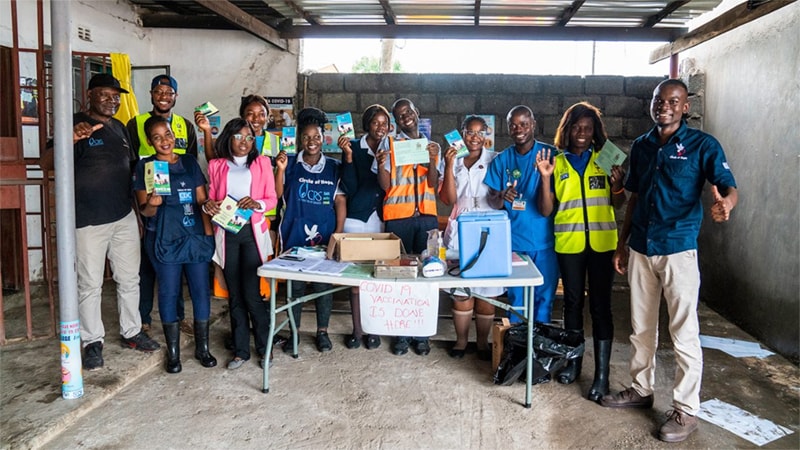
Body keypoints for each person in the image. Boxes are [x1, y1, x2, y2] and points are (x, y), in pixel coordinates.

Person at [600, 79, 738, 443]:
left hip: (678, 249)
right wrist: (622, 244)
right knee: (641, 327)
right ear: (652, 104)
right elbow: (633, 198)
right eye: (659, 100)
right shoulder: (643, 147)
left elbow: (727, 184)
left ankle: (686, 410)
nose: (664, 106)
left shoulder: (702, 145)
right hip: (642, 248)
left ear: (685, 107)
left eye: (673, 101)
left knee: (683, 331)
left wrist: (727, 203)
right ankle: (641, 389)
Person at [535, 102, 625, 401]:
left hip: (601, 244)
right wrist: (546, 177)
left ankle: (601, 376)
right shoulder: (556, 163)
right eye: (576, 127)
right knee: (572, 304)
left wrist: (618, 186)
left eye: (587, 128)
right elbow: (546, 209)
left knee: (601, 307)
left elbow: (619, 204)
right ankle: (573, 364)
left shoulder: (606, 160)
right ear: (567, 130)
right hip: (570, 245)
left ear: (595, 131)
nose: (582, 133)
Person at [71, 73, 160, 371]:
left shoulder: (121, 128)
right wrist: (71, 139)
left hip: (123, 216)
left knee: (129, 278)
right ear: (90, 95)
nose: (112, 101)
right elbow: (47, 163)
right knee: (90, 283)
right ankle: (92, 341)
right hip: (89, 220)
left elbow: (130, 172)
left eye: (116, 96)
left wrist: (136, 212)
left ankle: (132, 331)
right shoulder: (76, 124)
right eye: (105, 95)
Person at [133, 116, 216, 373]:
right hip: (163, 239)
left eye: (167, 134)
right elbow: (144, 211)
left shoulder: (189, 162)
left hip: (194, 236)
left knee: (200, 291)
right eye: (157, 137)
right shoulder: (145, 168)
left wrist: (208, 229)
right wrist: (151, 205)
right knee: (169, 292)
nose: (164, 141)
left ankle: (202, 348)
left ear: (174, 135)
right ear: (149, 141)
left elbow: (202, 199)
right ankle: (173, 354)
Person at [126, 74, 197, 336]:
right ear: (151, 94)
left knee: (174, 267)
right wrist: (138, 210)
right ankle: (143, 319)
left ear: (176, 96)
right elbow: (129, 166)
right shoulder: (135, 124)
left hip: (177, 209)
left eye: (169, 92)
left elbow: (191, 168)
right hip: (147, 203)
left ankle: (178, 317)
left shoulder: (185, 126)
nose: (164, 96)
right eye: (159, 91)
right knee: (145, 266)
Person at [205, 118, 278, 370]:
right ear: (228, 138)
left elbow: (272, 199)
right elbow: (211, 199)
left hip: (252, 234)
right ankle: (240, 351)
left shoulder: (262, 163)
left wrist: (256, 203)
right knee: (234, 296)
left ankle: (264, 347)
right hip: (227, 234)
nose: (244, 142)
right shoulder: (216, 165)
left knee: (252, 294)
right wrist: (208, 205)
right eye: (238, 137)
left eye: (249, 138)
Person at [275, 107, 345, 353]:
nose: (312, 142)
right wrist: (281, 170)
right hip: (294, 236)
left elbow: (340, 202)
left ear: (324, 138)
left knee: (322, 287)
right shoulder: (290, 164)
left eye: (316, 137)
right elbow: (276, 195)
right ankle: (293, 331)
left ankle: (322, 332)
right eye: (306, 137)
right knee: (295, 288)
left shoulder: (334, 167)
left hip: (324, 238)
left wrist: (337, 234)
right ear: (299, 140)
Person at [377, 98, 442, 356]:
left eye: (408, 112)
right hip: (398, 217)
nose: (406, 118)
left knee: (428, 275)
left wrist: (433, 160)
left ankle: (422, 334)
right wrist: (382, 161)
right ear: (396, 121)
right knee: (399, 277)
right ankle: (401, 334)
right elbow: (384, 185)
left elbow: (434, 183)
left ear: (417, 112)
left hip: (426, 218)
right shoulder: (389, 144)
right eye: (400, 116)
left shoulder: (430, 145)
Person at [484, 105, 559, 325]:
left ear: (533, 124)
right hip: (514, 244)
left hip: (545, 245)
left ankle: (537, 353)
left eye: (524, 124)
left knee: (544, 302)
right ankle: (518, 353)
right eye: (513, 125)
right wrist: (502, 196)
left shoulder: (549, 155)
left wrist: (545, 178)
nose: (519, 129)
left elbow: (546, 210)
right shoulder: (502, 160)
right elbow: (493, 201)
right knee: (517, 303)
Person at [439, 115, 501, 360]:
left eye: (479, 132)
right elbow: (448, 199)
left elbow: (497, 197)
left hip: (488, 221)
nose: (474, 137)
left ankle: (483, 343)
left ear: (487, 135)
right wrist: (448, 164)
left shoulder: (494, 159)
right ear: (462, 133)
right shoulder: (453, 160)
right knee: (461, 289)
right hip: (461, 220)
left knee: (486, 290)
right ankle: (462, 341)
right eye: (469, 132)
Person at [337, 104, 390, 350]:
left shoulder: (391, 148)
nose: (381, 127)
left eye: (385, 123)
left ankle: (374, 329)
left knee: (377, 278)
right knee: (356, 281)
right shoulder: (353, 147)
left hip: (380, 219)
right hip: (356, 220)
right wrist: (348, 158)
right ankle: (358, 330)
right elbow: (348, 187)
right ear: (366, 124)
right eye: (376, 122)